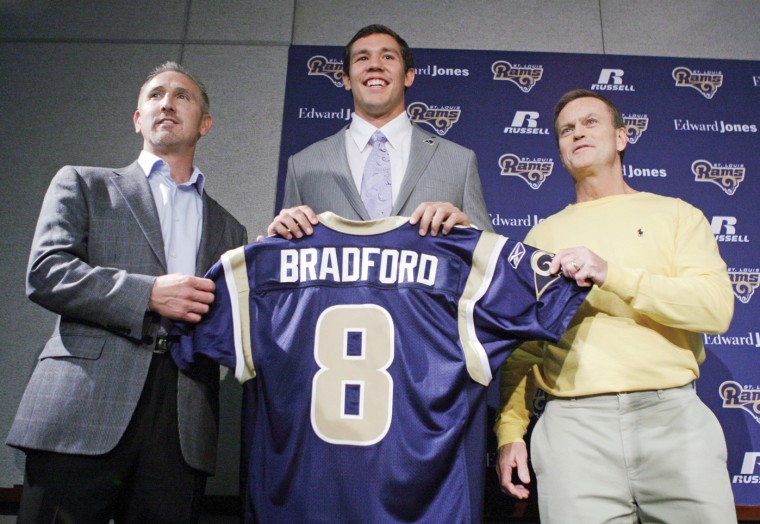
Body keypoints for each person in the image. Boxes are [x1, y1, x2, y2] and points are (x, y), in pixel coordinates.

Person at [7, 61, 247, 523]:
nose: (167, 103)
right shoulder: (83, 183)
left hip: (183, 421)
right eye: (155, 95)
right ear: (139, 119)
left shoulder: (231, 228)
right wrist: (148, 293)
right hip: (83, 407)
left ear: (205, 124)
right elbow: (46, 272)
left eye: (183, 96)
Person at [494, 89, 736, 523]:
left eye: (590, 122)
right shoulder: (541, 236)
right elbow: (524, 349)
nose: (577, 133)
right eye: (566, 130)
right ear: (560, 151)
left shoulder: (677, 215)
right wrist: (510, 431)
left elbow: (715, 309)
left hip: (672, 419)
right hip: (573, 431)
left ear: (622, 137)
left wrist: (613, 274)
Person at [267, 23, 492, 238]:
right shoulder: (303, 165)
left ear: (409, 76)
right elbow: (287, 258)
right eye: (362, 58)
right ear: (346, 79)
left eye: (388, 57)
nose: (374, 65)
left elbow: (491, 260)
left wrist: (468, 230)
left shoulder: (458, 161)